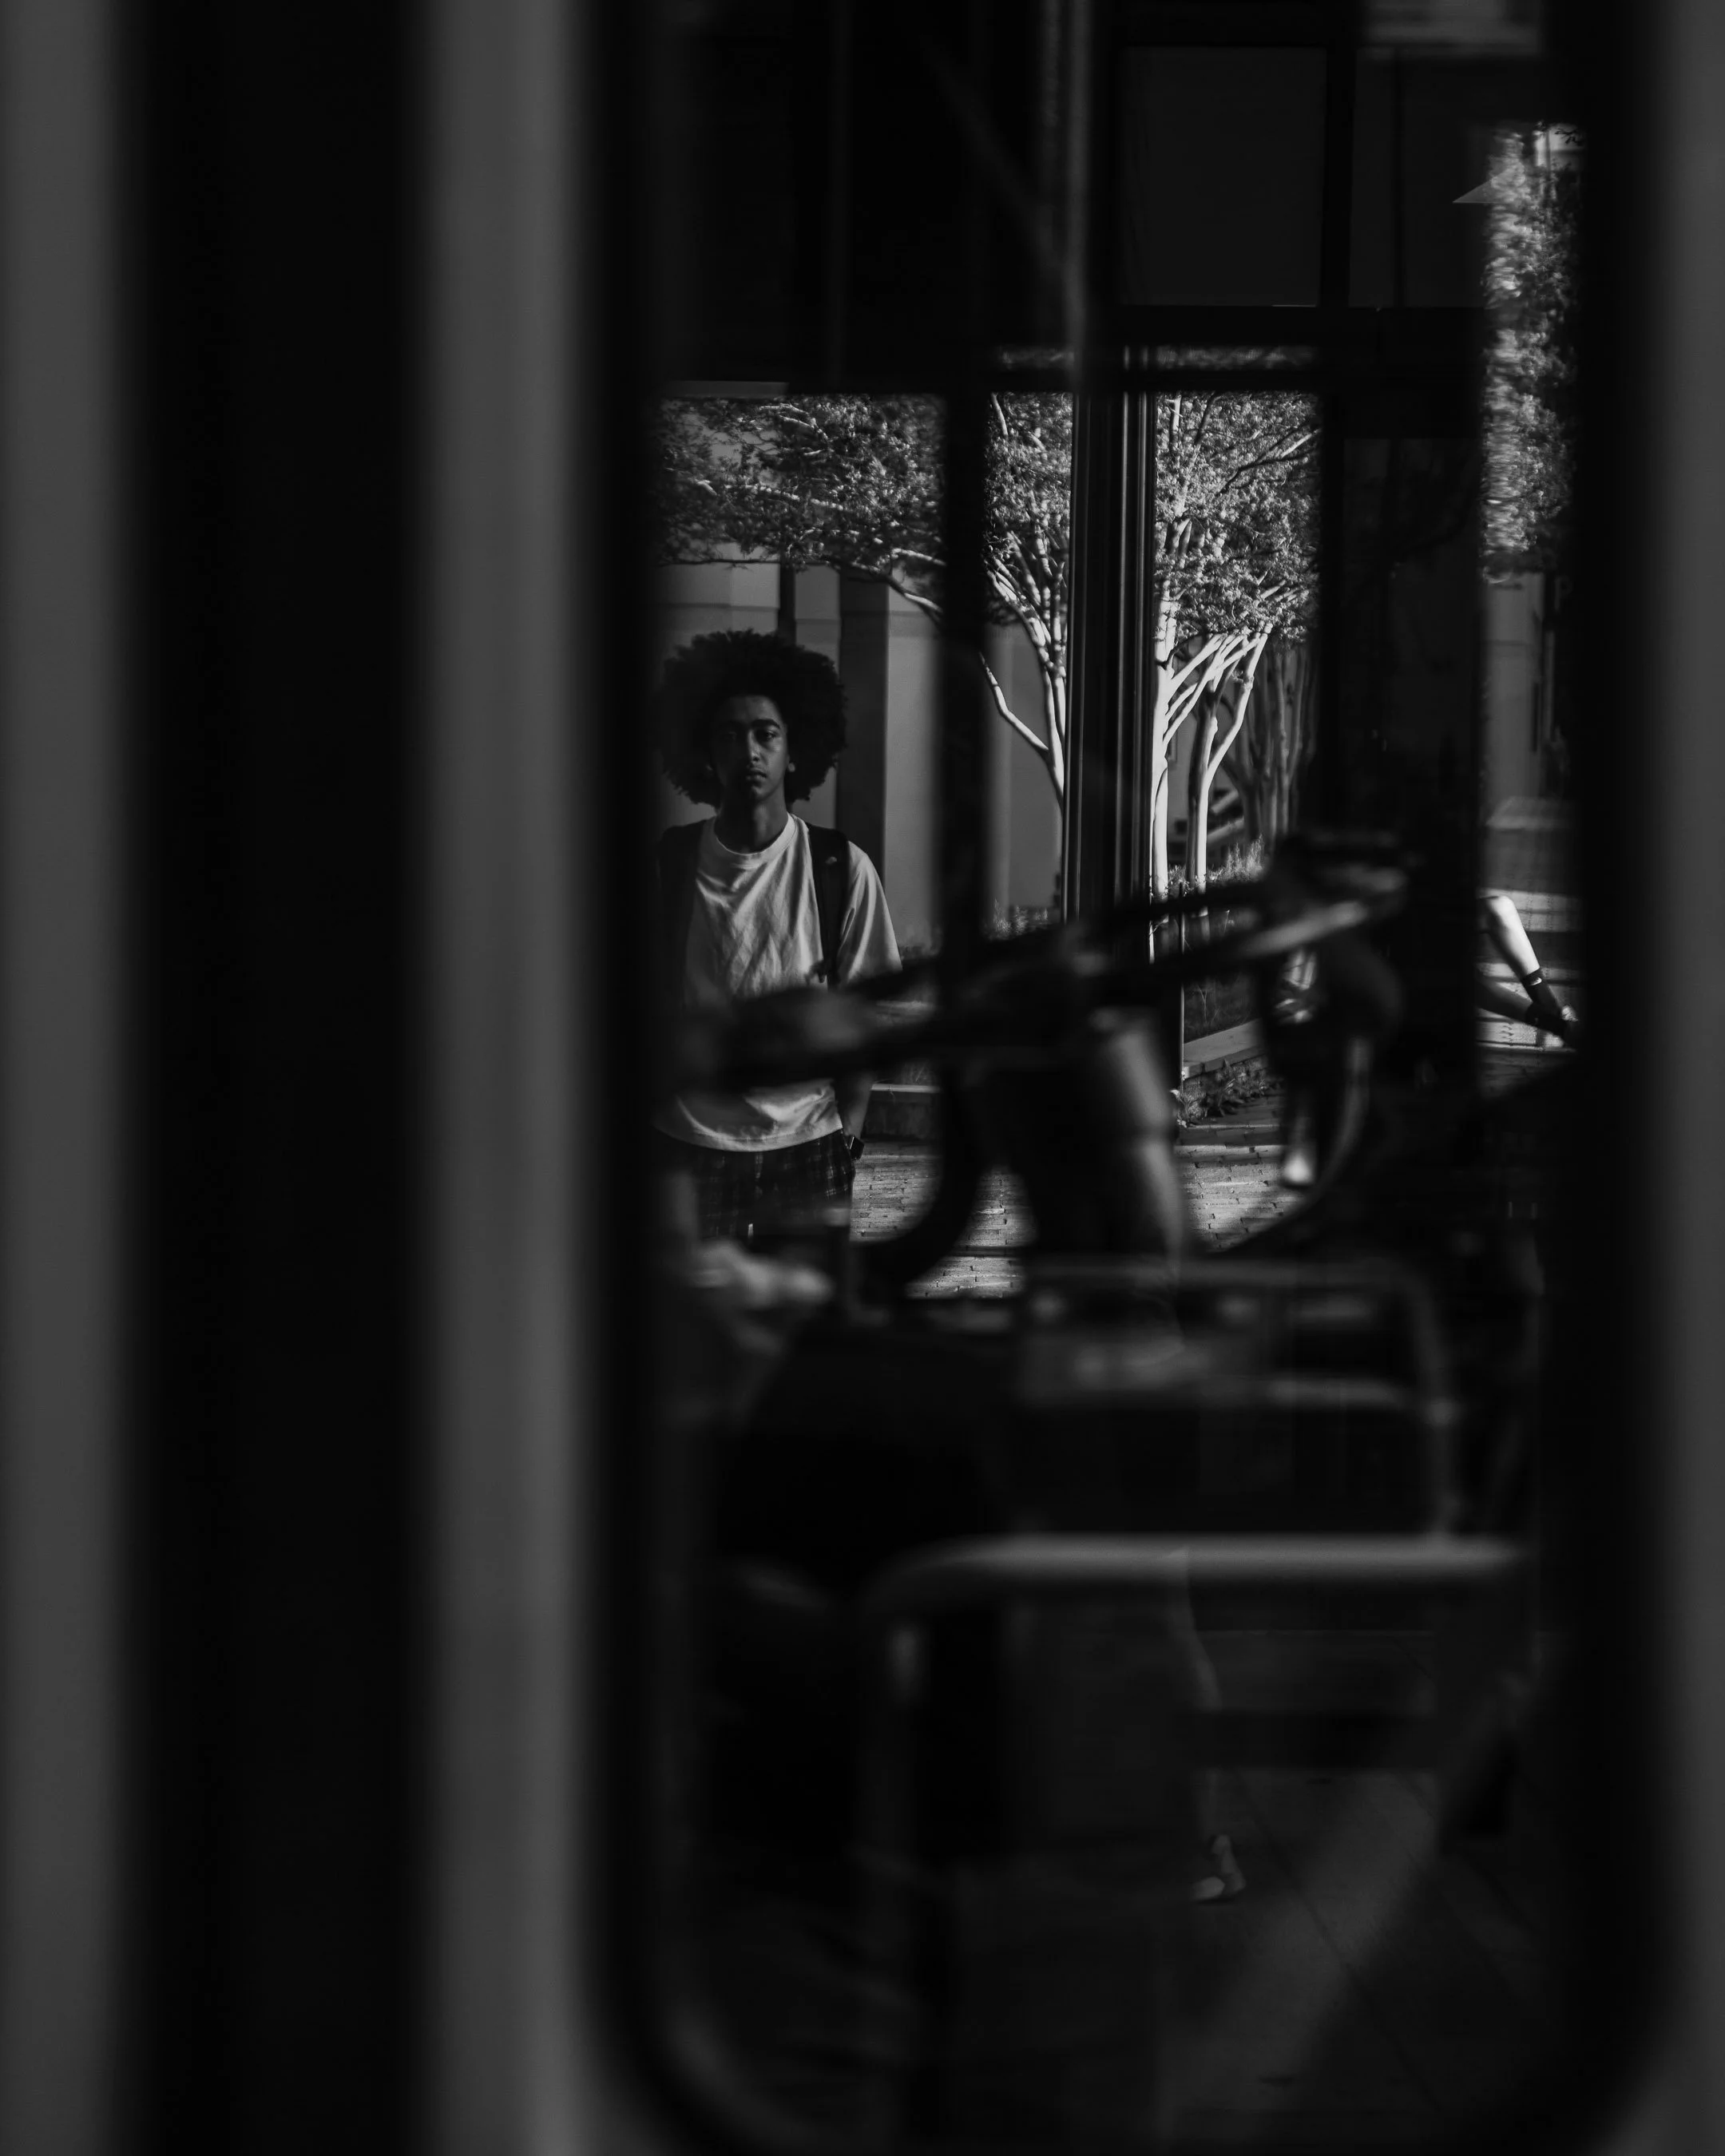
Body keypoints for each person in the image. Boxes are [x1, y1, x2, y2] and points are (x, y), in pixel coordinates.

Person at [653, 630, 899, 1246]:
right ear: (707, 752)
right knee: (697, 1326)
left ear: (795, 750)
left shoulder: (840, 867)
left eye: (766, 733)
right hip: (690, 1140)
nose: (749, 751)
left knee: (810, 1325)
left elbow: (865, 1013)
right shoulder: (669, 863)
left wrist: (850, 1136)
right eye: (730, 735)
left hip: (809, 1145)